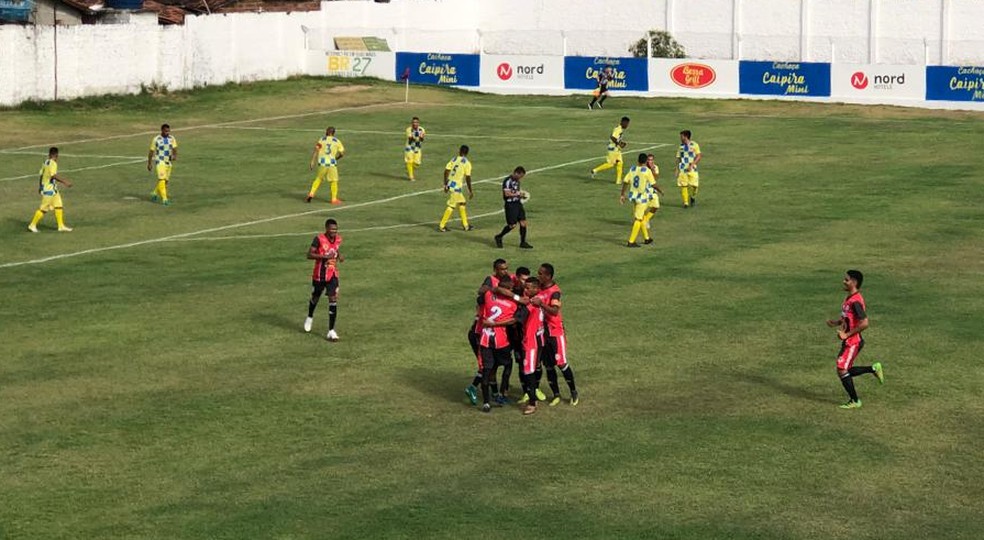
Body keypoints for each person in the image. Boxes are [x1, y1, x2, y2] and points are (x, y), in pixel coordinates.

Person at [826, 270, 884, 409]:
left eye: (846, 280)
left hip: (853, 341)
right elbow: (847, 317)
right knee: (844, 369)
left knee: (841, 369)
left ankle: (855, 401)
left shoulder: (856, 301)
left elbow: (864, 323)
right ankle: (873, 369)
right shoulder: (849, 298)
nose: (843, 282)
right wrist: (835, 323)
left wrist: (847, 334)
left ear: (854, 282)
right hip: (848, 341)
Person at [465, 259, 516, 405]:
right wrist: (495, 290)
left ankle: (494, 394)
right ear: (495, 269)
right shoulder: (490, 283)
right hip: (480, 332)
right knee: (486, 366)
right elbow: (480, 293)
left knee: (492, 365)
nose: (505, 271)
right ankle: (473, 388)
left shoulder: (508, 280)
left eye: (506, 268)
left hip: (491, 332)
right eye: (501, 269)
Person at [531, 263, 579, 406]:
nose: (538, 275)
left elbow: (554, 311)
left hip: (555, 331)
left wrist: (541, 304)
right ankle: (556, 394)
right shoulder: (538, 288)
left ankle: (573, 392)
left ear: (548, 276)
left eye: (541, 274)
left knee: (562, 363)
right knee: (548, 365)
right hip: (542, 332)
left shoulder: (555, 291)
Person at [478, 274, 519, 413]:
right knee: (507, 364)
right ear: (509, 288)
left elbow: (494, 290)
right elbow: (512, 321)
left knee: (486, 370)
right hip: (501, 340)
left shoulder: (489, 295)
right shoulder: (513, 304)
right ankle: (502, 393)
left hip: (485, 338)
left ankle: (486, 403)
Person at [304, 218, 344, 342]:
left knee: (333, 299)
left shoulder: (338, 239)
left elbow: (335, 249)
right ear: (326, 229)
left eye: (335, 229)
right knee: (315, 297)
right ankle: (310, 316)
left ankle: (331, 331)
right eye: (332, 229)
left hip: (332, 274)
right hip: (320, 275)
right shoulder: (319, 239)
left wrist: (339, 255)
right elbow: (309, 254)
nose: (334, 231)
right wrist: (324, 257)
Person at [27, 147, 73, 233]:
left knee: (59, 205)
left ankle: (61, 226)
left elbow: (41, 174)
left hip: (52, 189)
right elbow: (53, 175)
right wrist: (65, 182)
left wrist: (40, 186)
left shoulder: (45, 162)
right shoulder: (53, 163)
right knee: (44, 209)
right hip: (49, 190)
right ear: (56, 155)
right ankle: (32, 225)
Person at [518, 276, 546, 415]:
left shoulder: (532, 303)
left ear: (536, 289)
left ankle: (532, 403)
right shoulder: (539, 298)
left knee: (528, 371)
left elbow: (519, 319)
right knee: (532, 369)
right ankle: (533, 397)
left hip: (531, 342)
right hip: (539, 339)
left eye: (528, 288)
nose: (525, 290)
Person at [619, 153, 658, 247]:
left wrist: (622, 194)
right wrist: (660, 190)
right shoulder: (647, 171)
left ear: (638, 160)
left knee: (642, 216)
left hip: (633, 197)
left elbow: (625, 181)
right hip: (642, 198)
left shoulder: (632, 169)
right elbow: (653, 184)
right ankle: (631, 241)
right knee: (638, 219)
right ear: (645, 161)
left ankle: (647, 238)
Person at [493, 166, 533, 249]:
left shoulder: (517, 181)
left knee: (523, 223)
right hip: (510, 205)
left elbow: (515, 191)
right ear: (516, 173)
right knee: (512, 225)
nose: (521, 178)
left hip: (517, 203)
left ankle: (523, 242)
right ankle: (499, 236)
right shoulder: (507, 181)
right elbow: (507, 194)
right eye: (520, 176)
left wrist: (520, 196)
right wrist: (518, 194)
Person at [438, 145, 474, 232]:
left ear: (459, 151)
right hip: (456, 187)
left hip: (451, 184)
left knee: (462, 203)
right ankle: (442, 225)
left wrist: (445, 184)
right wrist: (470, 190)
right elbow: (468, 178)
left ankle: (466, 225)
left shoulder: (454, 159)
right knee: (452, 205)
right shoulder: (467, 163)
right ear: (467, 153)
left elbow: (446, 170)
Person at [307, 127, 345, 205]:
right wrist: (336, 158)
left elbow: (316, 150)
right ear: (334, 133)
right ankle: (334, 199)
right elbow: (342, 153)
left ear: (326, 132)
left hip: (322, 163)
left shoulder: (322, 140)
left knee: (319, 178)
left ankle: (311, 193)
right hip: (331, 163)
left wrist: (312, 161)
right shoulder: (336, 141)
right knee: (334, 181)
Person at [591, 116, 629, 184]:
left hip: (616, 149)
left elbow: (616, 138)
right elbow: (613, 138)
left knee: (620, 163)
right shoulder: (618, 129)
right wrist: (619, 144)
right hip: (613, 149)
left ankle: (618, 180)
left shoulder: (620, 129)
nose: (627, 125)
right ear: (623, 122)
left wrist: (621, 143)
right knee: (611, 164)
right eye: (627, 123)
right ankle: (595, 170)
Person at [147, 123, 178, 206]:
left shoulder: (172, 138)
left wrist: (175, 155)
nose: (167, 133)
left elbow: (175, 148)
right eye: (166, 131)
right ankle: (165, 200)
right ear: (162, 130)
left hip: (168, 162)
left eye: (168, 131)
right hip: (160, 162)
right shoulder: (156, 139)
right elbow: (151, 152)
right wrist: (149, 163)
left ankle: (154, 193)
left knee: (166, 182)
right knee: (162, 180)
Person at [675, 129, 701, 209]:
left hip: (692, 168)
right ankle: (685, 202)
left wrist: (692, 164)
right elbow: (678, 158)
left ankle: (692, 197)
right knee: (684, 185)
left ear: (686, 137)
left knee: (694, 186)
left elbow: (699, 156)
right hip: (683, 169)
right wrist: (676, 169)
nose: (680, 138)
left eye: (681, 136)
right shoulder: (681, 146)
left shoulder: (694, 145)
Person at [644, 153, 665, 234]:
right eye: (649, 160)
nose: (650, 162)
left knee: (656, 206)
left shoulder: (655, 167)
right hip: (645, 190)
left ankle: (646, 219)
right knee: (644, 208)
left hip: (652, 190)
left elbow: (655, 177)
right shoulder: (643, 168)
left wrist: (652, 169)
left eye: (652, 160)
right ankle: (644, 221)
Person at [404, 116, 425, 181]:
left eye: (416, 122)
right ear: (411, 123)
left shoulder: (422, 129)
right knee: (410, 161)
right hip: (409, 147)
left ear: (418, 123)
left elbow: (422, 139)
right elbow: (410, 139)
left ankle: (409, 171)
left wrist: (419, 136)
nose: (415, 124)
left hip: (417, 148)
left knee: (417, 163)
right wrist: (417, 136)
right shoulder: (409, 129)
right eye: (413, 122)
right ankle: (411, 176)